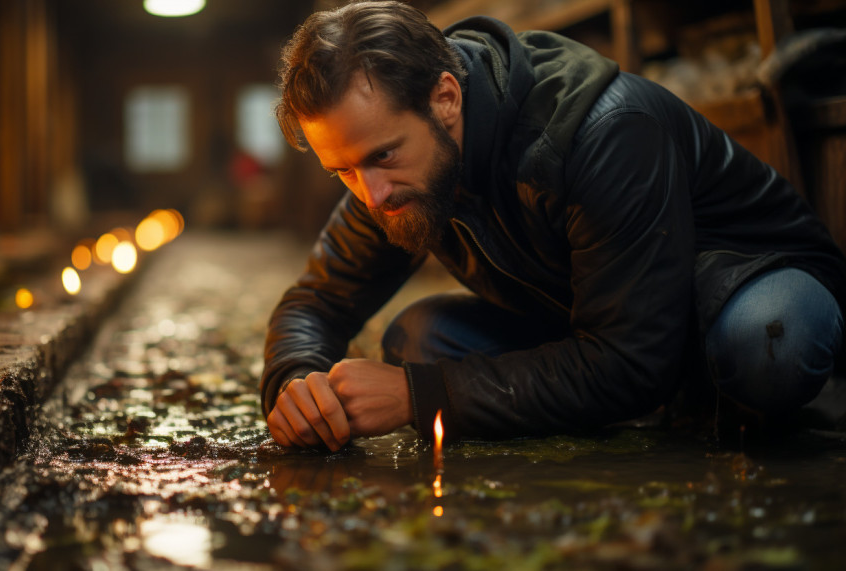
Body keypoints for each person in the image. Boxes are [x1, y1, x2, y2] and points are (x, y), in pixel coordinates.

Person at [260, 0, 846, 451]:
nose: (371, 193)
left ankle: (703, 399)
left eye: (382, 156)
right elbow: (316, 303)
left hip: (735, 288)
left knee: (771, 341)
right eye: (344, 171)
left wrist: (419, 396)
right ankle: (647, 403)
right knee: (419, 337)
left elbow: (631, 357)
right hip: (598, 319)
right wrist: (298, 385)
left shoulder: (603, 131)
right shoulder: (393, 171)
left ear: (444, 99)